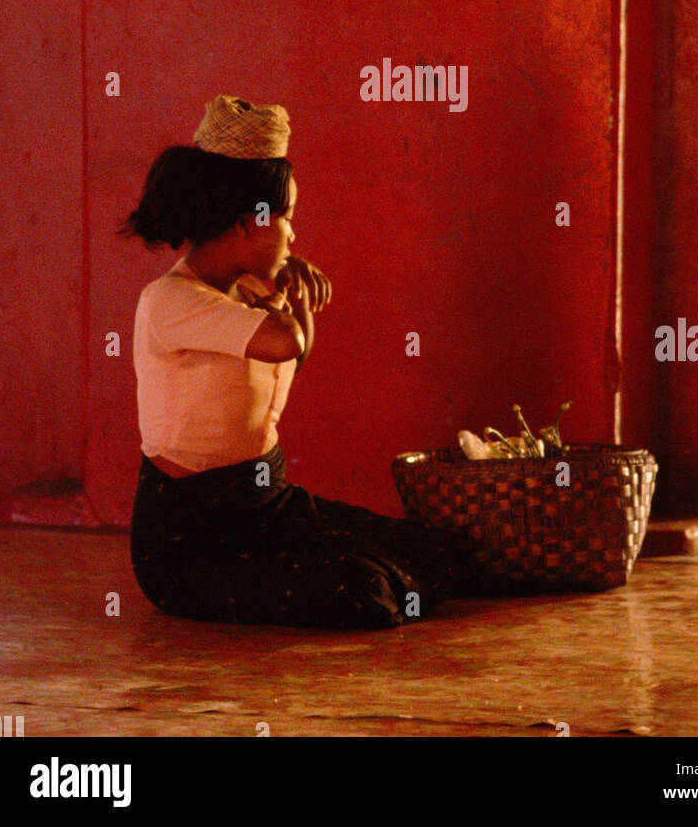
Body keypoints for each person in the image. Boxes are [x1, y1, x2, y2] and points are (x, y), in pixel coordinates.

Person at [119, 94, 467, 629]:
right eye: (287, 219)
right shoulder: (172, 301)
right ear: (246, 223)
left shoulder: (245, 289)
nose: (294, 235)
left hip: (267, 504)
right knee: (363, 590)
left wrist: (283, 287)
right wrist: (286, 287)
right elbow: (285, 343)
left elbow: (286, 361)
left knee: (435, 552)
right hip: (192, 541)